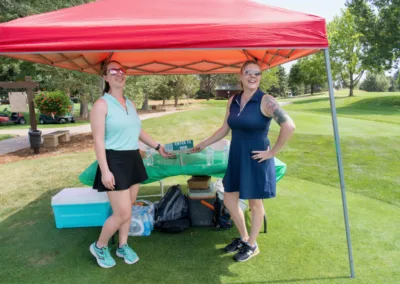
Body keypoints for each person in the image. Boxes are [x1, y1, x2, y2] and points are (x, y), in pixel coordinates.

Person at [192, 60, 295, 262]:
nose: (253, 76)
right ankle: (244, 237)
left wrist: (272, 152)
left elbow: (289, 126)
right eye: (248, 72)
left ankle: (252, 244)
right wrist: (204, 143)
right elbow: (225, 128)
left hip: (256, 159)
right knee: (230, 200)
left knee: (255, 204)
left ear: (260, 77)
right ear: (240, 75)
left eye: (257, 73)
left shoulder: (266, 100)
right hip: (237, 156)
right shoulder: (234, 100)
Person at [90, 60, 172, 268]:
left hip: (133, 159)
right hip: (114, 161)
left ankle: (122, 245)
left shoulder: (130, 103)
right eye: (113, 71)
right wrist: (105, 171)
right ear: (106, 77)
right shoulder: (101, 104)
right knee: (122, 213)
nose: (119, 74)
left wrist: (157, 146)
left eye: (122, 70)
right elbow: (98, 140)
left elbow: (138, 131)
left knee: (129, 209)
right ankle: (99, 246)